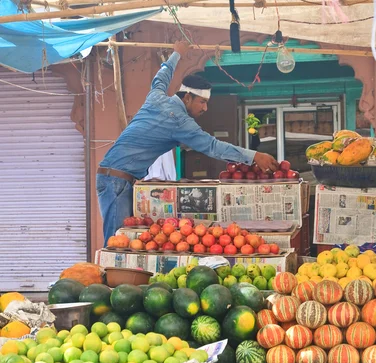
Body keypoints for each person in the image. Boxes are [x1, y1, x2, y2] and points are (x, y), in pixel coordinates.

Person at [97, 41, 278, 244]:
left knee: (121, 242)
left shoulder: (156, 97)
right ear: (187, 98)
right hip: (116, 182)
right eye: (203, 102)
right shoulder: (179, 121)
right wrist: (253, 155)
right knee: (115, 245)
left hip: (115, 178)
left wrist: (177, 54)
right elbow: (213, 147)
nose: (205, 108)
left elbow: (161, 77)